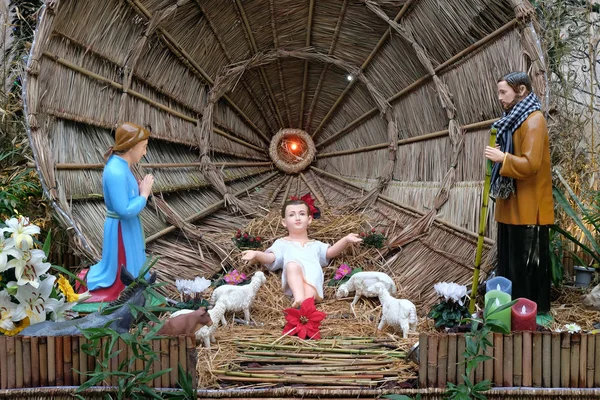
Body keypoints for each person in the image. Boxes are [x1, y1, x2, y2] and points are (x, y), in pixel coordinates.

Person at [484, 72, 554, 314]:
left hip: (528, 209)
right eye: (499, 92)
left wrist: (503, 158)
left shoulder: (534, 120)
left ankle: (531, 313)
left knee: (526, 267)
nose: (500, 98)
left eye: (504, 92)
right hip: (511, 205)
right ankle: (510, 311)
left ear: (521, 90)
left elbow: (531, 164)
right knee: (510, 264)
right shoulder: (514, 119)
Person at [241, 199, 362, 306]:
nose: (297, 218)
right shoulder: (282, 243)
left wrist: (346, 240)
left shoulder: (315, 244)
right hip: (294, 282)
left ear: (309, 219)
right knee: (292, 265)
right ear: (284, 222)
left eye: (302, 214)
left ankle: (303, 307)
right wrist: (256, 254)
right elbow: (270, 258)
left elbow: (330, 252)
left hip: (313, 280)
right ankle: (298, 298)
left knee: (308, 298)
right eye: (292, 215)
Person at [84, 122, 154, 302]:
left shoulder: (122, 166)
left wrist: (136, 192)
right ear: (131, 147)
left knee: (132, 261)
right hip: (121, 230)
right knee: (122, 266)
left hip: (128, 228)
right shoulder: (116, 171)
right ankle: (122, 294)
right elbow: (123, 210)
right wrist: (144, 195)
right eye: (143, 148)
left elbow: (125, 197)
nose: (145, 153)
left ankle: (134, 289)